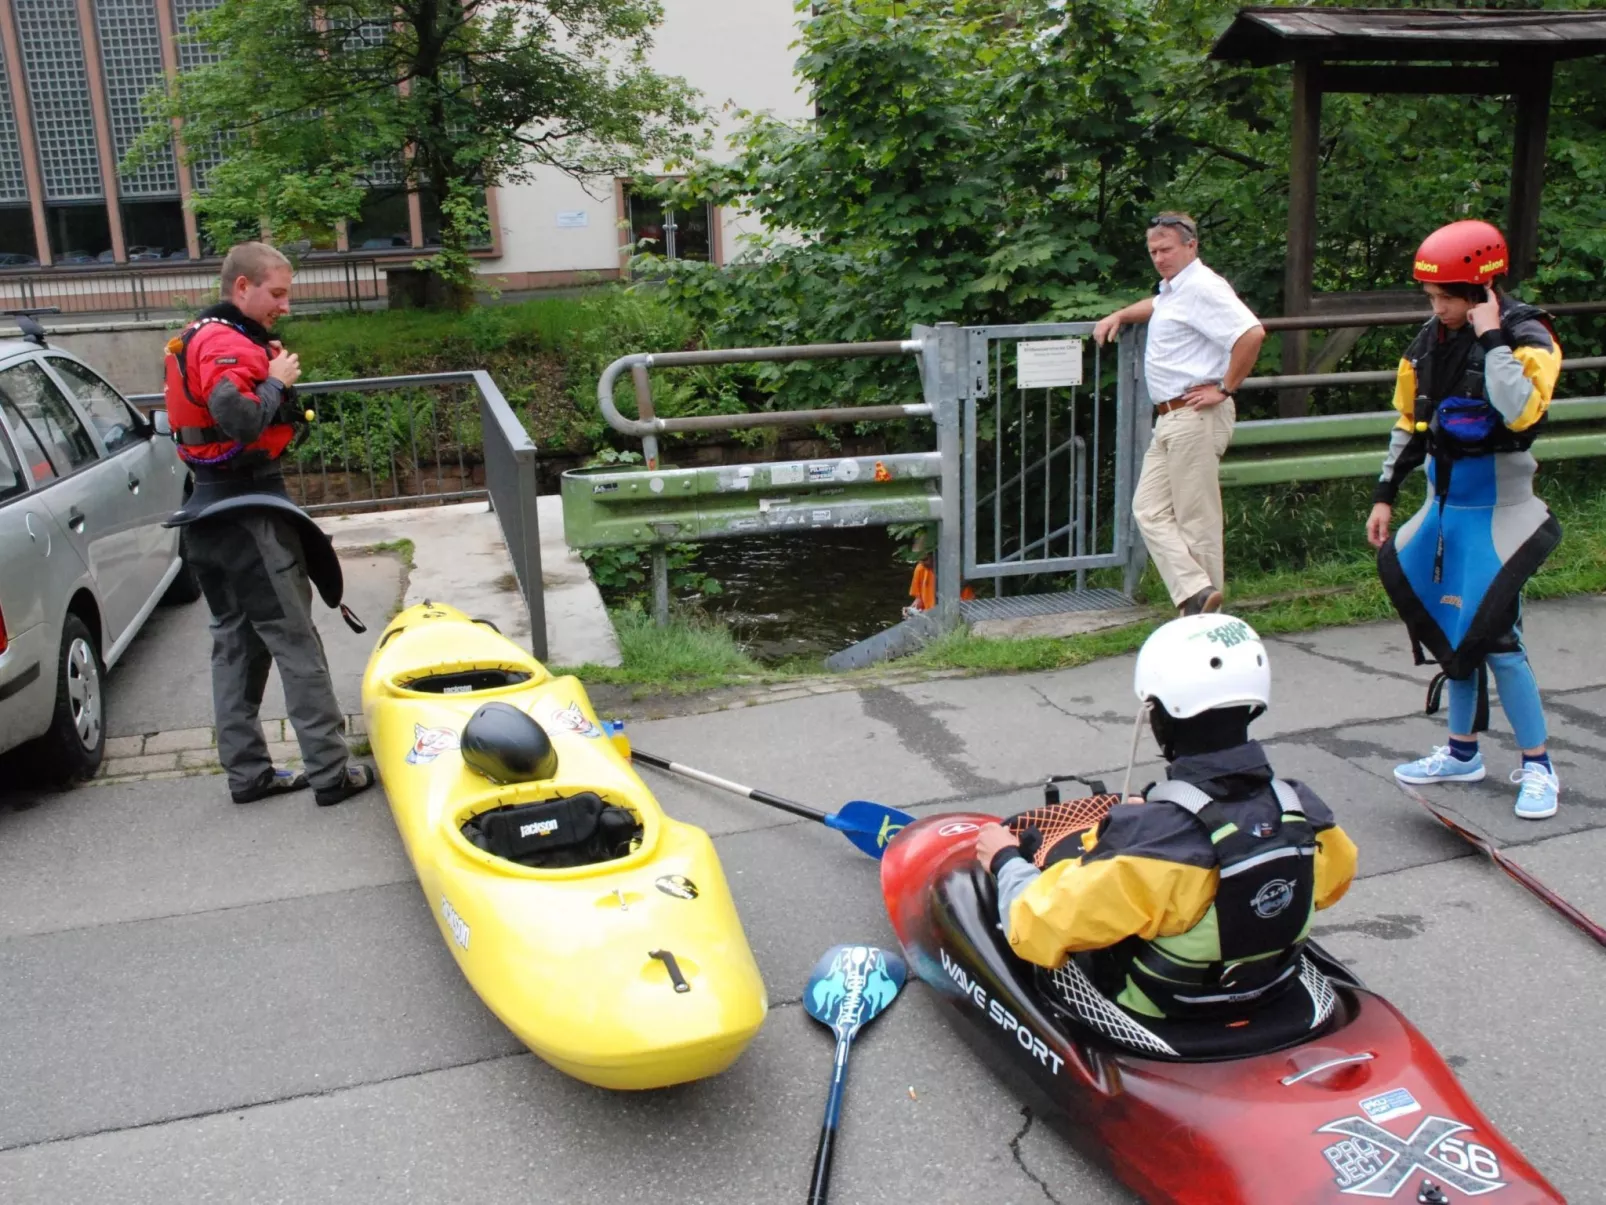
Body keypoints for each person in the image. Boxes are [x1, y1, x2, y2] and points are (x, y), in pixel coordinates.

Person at [974, 614, 1357, 1022]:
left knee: (1037, 868)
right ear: (1250, 707)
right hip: (1270, 987)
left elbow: (1034, 931)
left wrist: (1005, 861)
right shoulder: (1304, 808)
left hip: (1160, 1010)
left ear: (1157, 717)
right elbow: (1329, 886)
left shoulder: (1147, 845)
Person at [162, 242, 375, 807]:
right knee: (293, 642)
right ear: (242, 288)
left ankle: (249, 774)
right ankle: (331, 773)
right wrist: (277, 380)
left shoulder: (201, 336)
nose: (285, 304)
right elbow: (239, 418)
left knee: (236, 644)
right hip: (249, 515)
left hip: (207, 515)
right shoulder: (226, 343)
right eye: (276, 293)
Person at [1367, 220, 1564, 820]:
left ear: (1481, 289)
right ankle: (1461, 752)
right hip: (1444, 510)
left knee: (1499, 640)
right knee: (1452, 634)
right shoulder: (1430, 341)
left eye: (1447, 298)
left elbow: (1519, 410)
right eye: (1432, 298)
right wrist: (1384, 494)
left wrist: (1493, 338)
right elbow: (1410, 423)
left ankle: (1539, 767)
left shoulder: (1530, 337)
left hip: (1500, 514)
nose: (1438, 309)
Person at [1094, 213, 1266, 616]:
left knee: (1196, 518)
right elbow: (1156, 305)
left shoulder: (1204, 287)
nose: (1159, 257)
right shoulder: (1174, 290)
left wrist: (1225, 387)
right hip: (1170, 417)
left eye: (1166, 248)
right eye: (1153, 251)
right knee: (1148, 509)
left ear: (1191, 246)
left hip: (1195, 414)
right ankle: (1197, 592)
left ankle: (1206, 616)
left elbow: (1251, 333)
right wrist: (1120, 314)